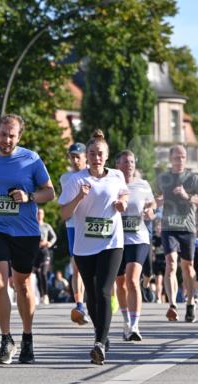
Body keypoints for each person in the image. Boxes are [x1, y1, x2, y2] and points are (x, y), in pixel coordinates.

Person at [0, 114, 55, 365]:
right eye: (2, 134)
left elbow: (49, 192)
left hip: (25, 231)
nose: (6, 139)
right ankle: (6, 338)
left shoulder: (31, 159)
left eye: (11, 135)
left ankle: (27, 337)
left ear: (19, 136)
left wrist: (29, 196)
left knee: (22, 285)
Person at [59, 129, 129, 365]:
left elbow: (124, 195)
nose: (96, 157)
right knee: (91, 292)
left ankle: (99, 342)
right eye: (92, 153)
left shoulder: (117, 176)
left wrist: (122, 203)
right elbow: (64, 214)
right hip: (84, 245)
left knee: (103, 290)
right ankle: (102, 334)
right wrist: (79, 197)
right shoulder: (75, 180)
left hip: (112, 242)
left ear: (106, 156)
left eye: (100, 153)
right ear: (86, 156)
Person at [156, 144, 198, 323]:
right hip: (169, 227)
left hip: (187, 228)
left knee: (187, 266)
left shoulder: (194, 179)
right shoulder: (163, 178)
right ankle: (172, 305)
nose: (179, 160)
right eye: (176, 157)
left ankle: (190, 301)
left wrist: (188, 196)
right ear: (170, 159)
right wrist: (154, 206)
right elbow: (154, 200)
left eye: (183, 157)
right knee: (171, 264)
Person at [114, 149, 155, 342]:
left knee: (132, 279)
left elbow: (152, 205)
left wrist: (150, 211)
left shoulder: (143, 185)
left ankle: (135, 325)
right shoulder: (112, 183)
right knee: (120, 283)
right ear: (117, 165)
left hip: (139, 238)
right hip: (116, 240)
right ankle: (125, 321)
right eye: (124, 162)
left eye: (131, 162)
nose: (128, 165)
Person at [60, 142, 90, 324]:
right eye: (72, 156)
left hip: (92, 225)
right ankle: (80, 304)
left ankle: (99, 299)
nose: (75, 160)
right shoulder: (66, 178)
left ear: (86, 157)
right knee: (76, 265)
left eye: (78, 156)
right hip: (73, 225)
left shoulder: (94, 174)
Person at [34, 206, 57, 304]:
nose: (39, 215)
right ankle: (41, 295)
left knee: (43, 273)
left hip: (45, 251)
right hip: (35, 252)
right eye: (38, 213)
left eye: (41, 213)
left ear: (43, 215)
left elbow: (54, 237)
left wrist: (49, 243)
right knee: (38, 274)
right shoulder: (33, 225)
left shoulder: (46, 226)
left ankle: (46, 295)